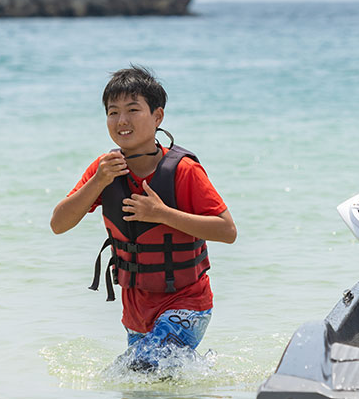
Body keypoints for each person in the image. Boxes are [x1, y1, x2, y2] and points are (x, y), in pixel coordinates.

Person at [50, 66, 237, 371]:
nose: (121, 120)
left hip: (187, 306)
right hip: (136, 315)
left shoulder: (183, 170)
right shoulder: (105, 169)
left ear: (158, 117)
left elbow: (227, 231)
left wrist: (161, 214)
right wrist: (97, 182)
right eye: (113, 112)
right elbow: (58, 224)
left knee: (130, 373)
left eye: (133, 110)